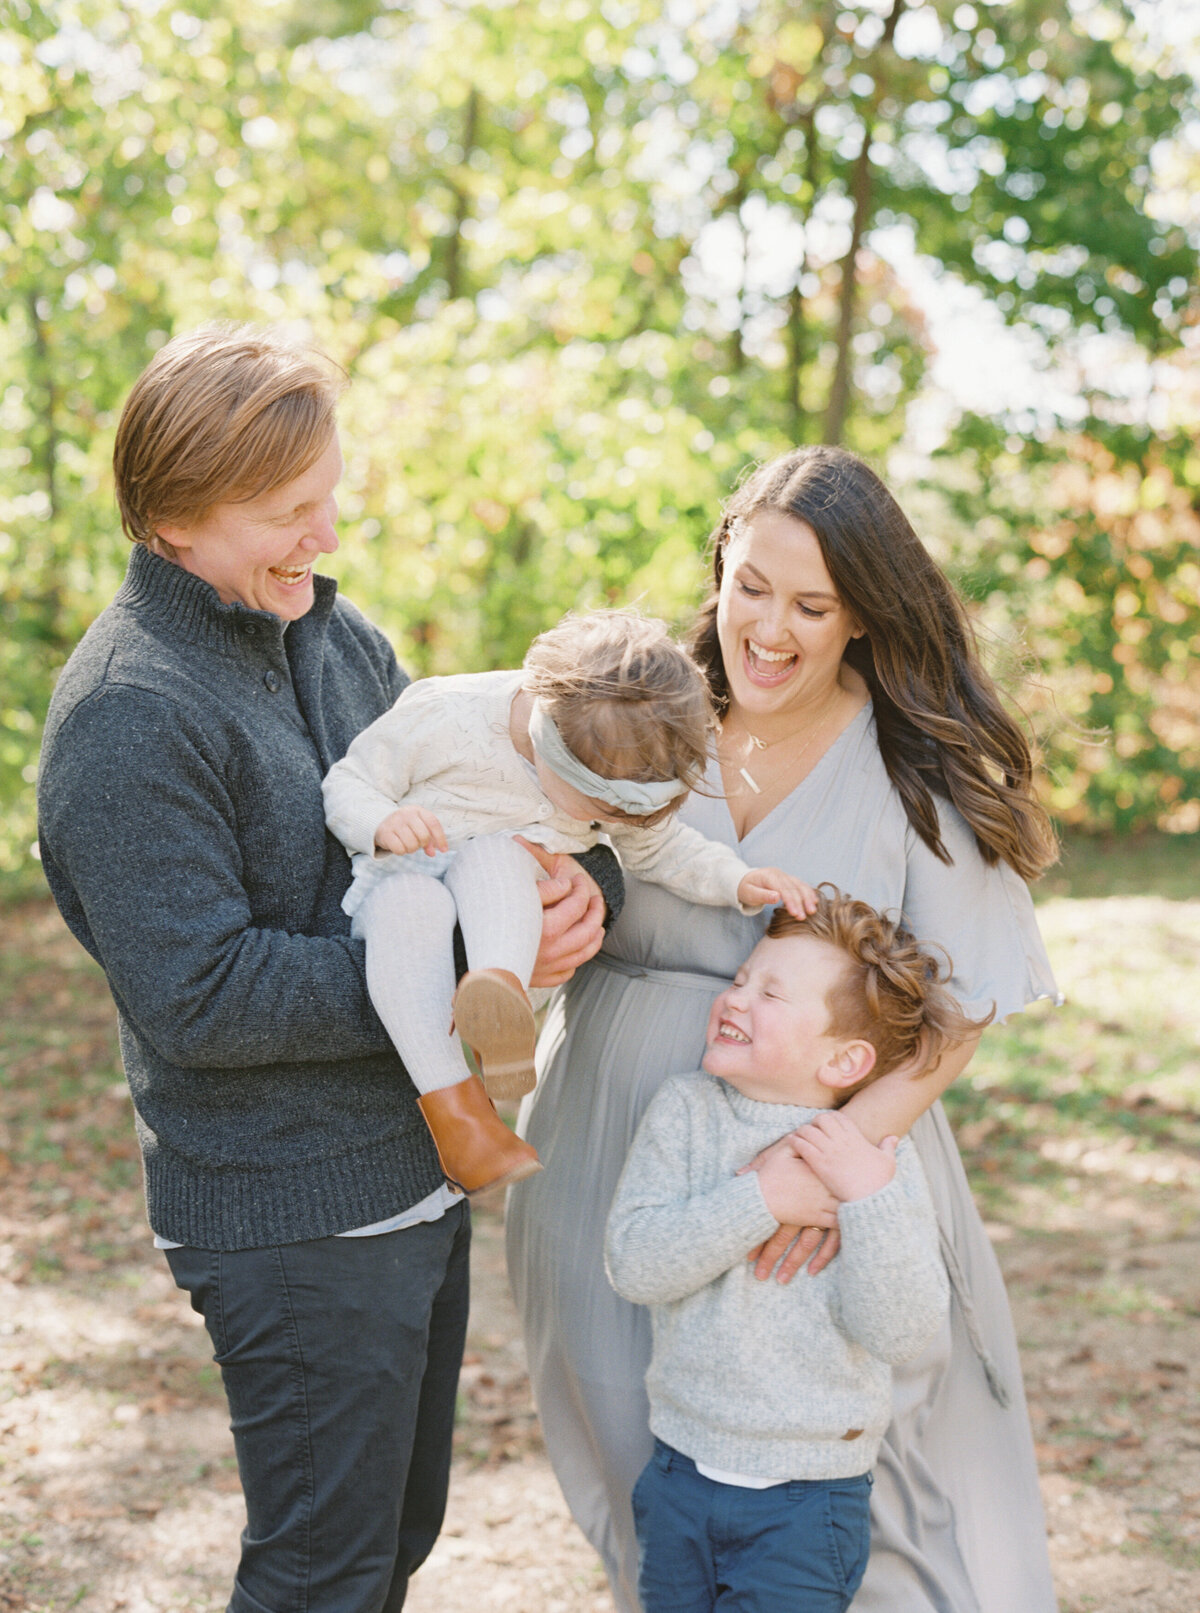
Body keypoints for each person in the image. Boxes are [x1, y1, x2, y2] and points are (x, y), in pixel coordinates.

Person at [35, 322, 619, 1613]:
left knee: (389, 1544)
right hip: (289, 1212)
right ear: (175, 515)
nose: (327, 535)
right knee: (323, 1576)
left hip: (415, 1167)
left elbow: (470, 792)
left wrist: (572, 885)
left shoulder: (331, 638)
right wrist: (468, 972)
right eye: (289, 513)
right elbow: (202, 997)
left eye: (330, 497)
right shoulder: (131, 714)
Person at [507, 443, 1062, 1613]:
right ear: (718, 568)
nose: (770, 627)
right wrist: (546, 910)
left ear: (861, 613)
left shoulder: (916, 768)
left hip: (833, 1163)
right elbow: (525, 855)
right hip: (612, 1146)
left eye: (811, 604)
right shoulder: (640, 713)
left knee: (881, 1489)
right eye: (750, 585)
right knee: (641, 1470)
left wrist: (820, 1168)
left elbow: (955, 1018)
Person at [322, 608, 818, 1197]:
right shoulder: (446, 716)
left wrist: (736, 880)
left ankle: (497, 995)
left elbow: (661, 849)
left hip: (496, 921)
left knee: (502, 855)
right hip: (406, 881)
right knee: (414, 904)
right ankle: (461, 1116)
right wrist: (382, 822)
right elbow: (347, 782)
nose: (595, 823)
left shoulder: (612, 759)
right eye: (592, 805)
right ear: (547, 735)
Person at [605, 892, 992, 1612]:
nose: (736, 996)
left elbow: (900, 1331)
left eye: (771, 992)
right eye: (743, 977)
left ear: (847, 1058)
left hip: (808, 1503)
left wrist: (869, 1200)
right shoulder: (686, 1111)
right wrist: (761, 1200)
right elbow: (636, 1262)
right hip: (679, 1475)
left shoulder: (874, 1158)